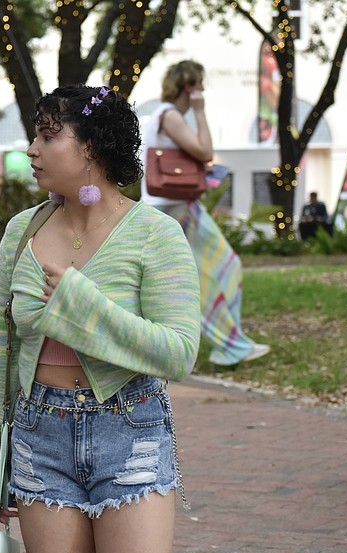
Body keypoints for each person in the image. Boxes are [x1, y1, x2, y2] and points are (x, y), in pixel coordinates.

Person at [0, 85, 201, 553]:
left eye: (48, 136)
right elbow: (0, 349)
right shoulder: (22, 231)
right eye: (34, 136)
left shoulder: (155, 234)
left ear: (91, 145)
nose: (32, 150)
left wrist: (81, 305)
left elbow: (179, 352)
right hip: (39, 431)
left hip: (130, 427)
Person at [141, 60, 270, 366]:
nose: (202, 89)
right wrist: (200, 111)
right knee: (211, 273)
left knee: (222, 267)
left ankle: (230, 342)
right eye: (200, 84)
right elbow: (205, 151)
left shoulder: (165, 116)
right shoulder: (170, 115)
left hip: (180, 205)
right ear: (190, 86)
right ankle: (229, 346)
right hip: (174, 207)